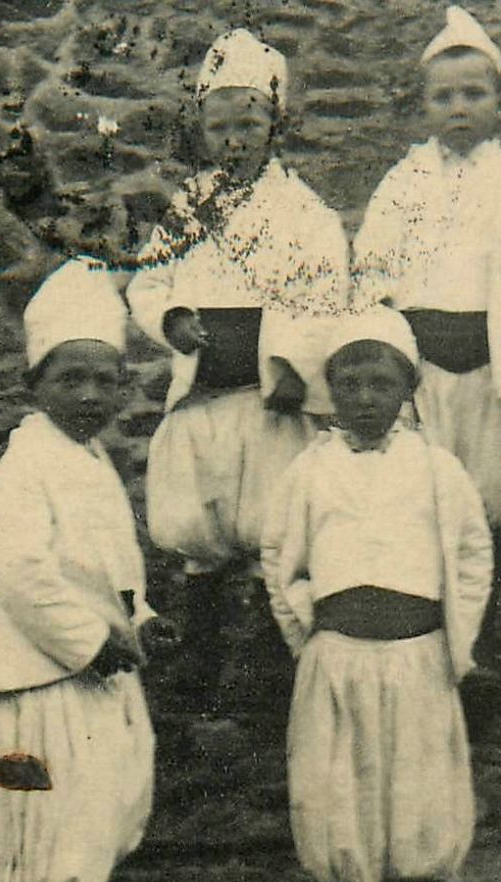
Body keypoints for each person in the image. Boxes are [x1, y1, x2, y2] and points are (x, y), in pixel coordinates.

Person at [0, 257, 177, 882]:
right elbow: (22, 573)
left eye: (105, 379)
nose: (89, 394)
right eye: (69, 377)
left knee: (101, 796)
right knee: (39, 800)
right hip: (40, 669)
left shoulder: (92, 462)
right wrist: (87, 641)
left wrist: (140, 619)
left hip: (100, 667)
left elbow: (114, 569)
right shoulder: (25, 464)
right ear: (34, 386)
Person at [261, 306, 493, 882]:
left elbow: (473, 555)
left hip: (418, 655)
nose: (365, 397)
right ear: (330, 388)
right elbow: (280, 559)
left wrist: (456, 644)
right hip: (337, 657)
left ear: (407, 387)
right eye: (350, 382)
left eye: (380, 382)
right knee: (338, 788)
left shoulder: (437, 468)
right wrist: (310, 637)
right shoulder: (307, 471)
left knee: (419, 788)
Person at [125, 28, 349, 708]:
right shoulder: (185, 210)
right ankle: (202, 653)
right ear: (201, 131)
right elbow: (147, 283)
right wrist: (171, 320)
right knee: (203, 531)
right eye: (219, 125)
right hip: (204, 395)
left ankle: (274, 664)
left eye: (248, 122)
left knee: (272, 527)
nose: (234, 139)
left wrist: (294, 365)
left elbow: (324, 295)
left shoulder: (305, 214)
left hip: (265, 395)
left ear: (275, 124)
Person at [352, 5, 501, 535]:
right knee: (415, 497)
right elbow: (371, 272)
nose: (459, 109)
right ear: (424, 106)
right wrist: (385, 355)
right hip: (420, 372)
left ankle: (481, 617)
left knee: (483, 503)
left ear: (500, 104)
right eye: (443, 97)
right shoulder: (403, 185)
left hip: (492, 375)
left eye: (474, 94)